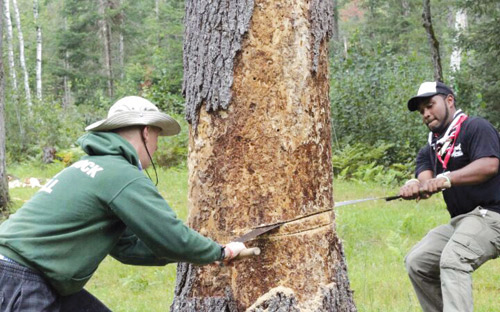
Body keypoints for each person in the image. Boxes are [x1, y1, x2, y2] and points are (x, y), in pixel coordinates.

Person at [0, 96, 248, 311]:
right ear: (146, 132)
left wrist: (187, 252)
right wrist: (220, 252)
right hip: (22, 278)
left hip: (20, 273)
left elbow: (126, 247)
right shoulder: (122, 175)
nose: (157, 146)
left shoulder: (86, 167)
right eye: (157, 137)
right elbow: (169, 234)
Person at [399, 81, 500, 312]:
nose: (426, 113)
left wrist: (447, 178)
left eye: (430, 105)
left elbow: (489, 165)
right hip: (462, 222)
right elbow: (426, 181)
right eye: (422, 111)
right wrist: (413, 185)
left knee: (454, 259)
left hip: (493, 216)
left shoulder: (475, 128)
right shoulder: (431, 148)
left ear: (449, 100)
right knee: (417, 262)